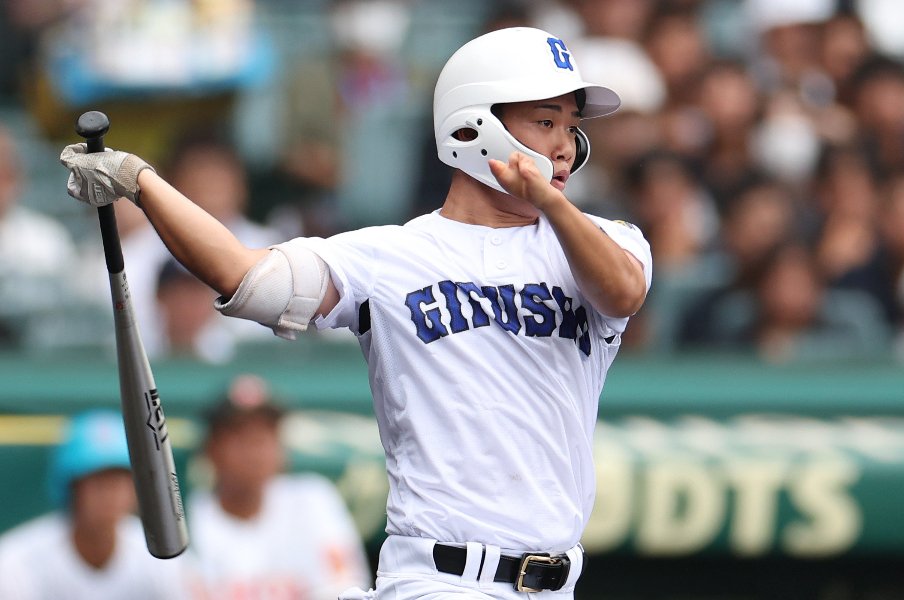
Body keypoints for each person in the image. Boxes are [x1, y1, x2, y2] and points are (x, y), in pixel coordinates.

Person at [60, 26, 652, 599]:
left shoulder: (606, 240)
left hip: (557, 582)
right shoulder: (389, 256)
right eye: (545, 121)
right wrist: (141, 180)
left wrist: (544, 195)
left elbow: (622, 292)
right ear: (476, 126)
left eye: (571, 128)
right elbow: (244, 276)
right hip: (439, 580)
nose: (563, 146)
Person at [186, 373, 372, 598]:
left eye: (266, 434)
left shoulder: (313, 499)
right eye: (241, 436)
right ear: (211, 450)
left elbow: (346, 590)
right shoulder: (184, 519)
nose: (256, 448)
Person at [0, 410, 191, 599]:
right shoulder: (16, 561)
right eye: (98, 482)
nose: (110, 494)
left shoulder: (163, 559)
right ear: (73, 488)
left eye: (119, 480)